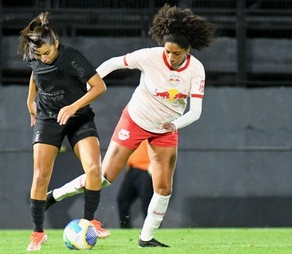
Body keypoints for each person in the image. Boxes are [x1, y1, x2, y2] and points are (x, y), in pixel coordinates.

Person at [46, 4, 216, 247]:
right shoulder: (150, 56)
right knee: (104, 177)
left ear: (187, 50)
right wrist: (88, 85)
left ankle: (146, 239)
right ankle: (54, 196)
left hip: (166, 129)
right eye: (167, 51)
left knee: (164, 188)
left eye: (176, 53)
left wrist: (175, 125)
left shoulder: (196, 70)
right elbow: (114, 63)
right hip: (135, 120)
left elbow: (196, 111)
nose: (169, 57)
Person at [18, 12, 110, 251]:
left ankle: (91, 221)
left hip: (78, 116)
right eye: (39, 54)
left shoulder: (72, 57)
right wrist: (30, 100)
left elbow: (99, 87)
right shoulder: (34, 55)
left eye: (47, 53)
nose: (44, 58)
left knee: (93, 168)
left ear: (56, 44)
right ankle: (38, 233)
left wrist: (73, 106)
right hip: (48, 117)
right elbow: (35, 73)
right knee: (40, 176)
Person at [117, 140, 153, 228]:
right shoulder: (134, 130)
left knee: (147, 204)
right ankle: (125, 230)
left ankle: (150, 232)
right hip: (132, 169)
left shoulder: (152, 129)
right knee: (122, 199)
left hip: (146, 170)